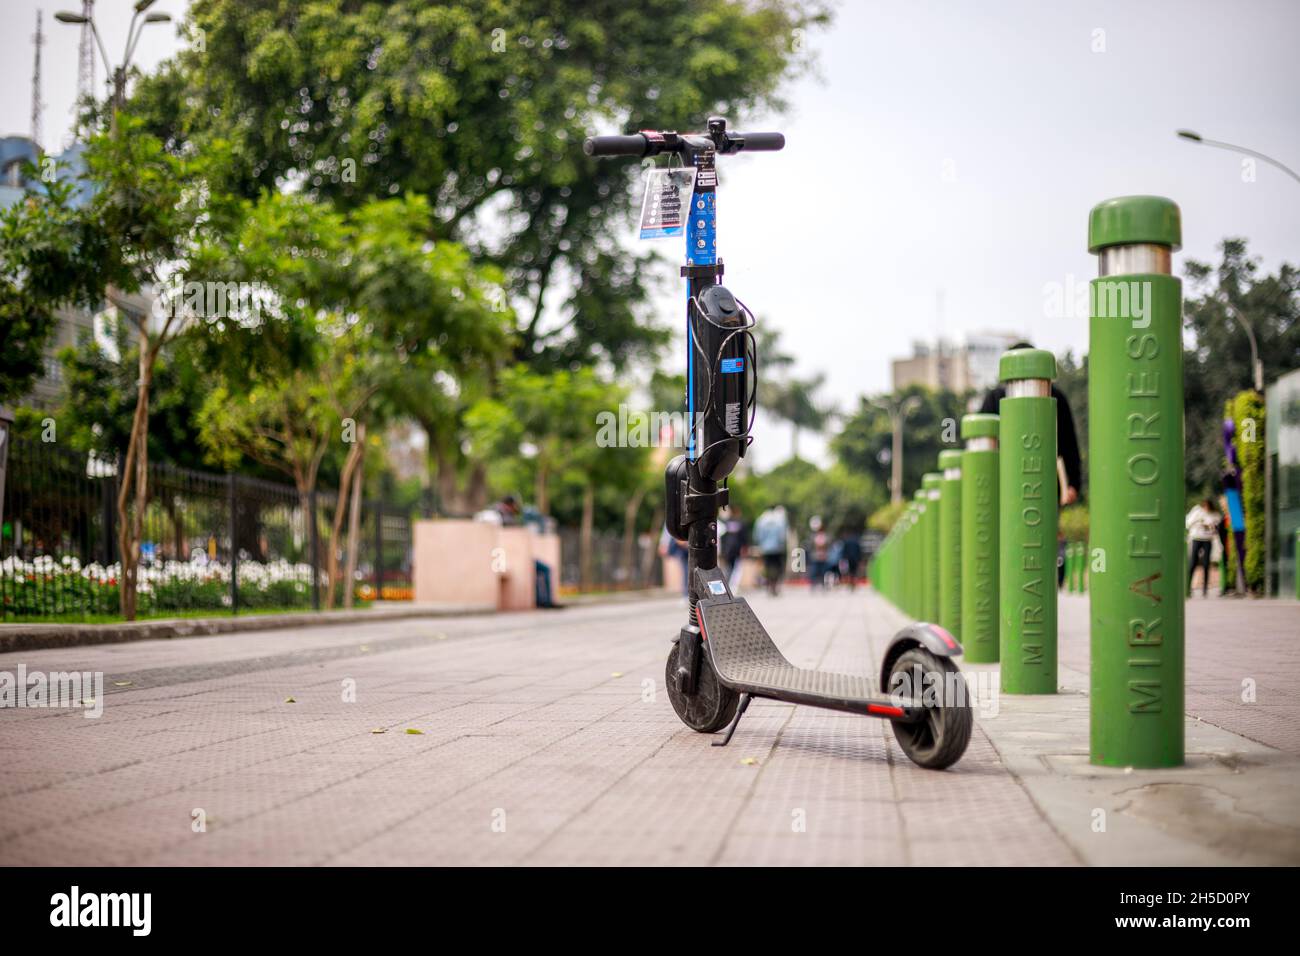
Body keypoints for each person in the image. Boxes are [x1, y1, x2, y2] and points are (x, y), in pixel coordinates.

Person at [979, 341, 1083, 505]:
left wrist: (1073, 483)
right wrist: (1074, 483)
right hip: (1041, 480)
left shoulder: (995, 398)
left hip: (1009, 481)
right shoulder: (1056, 397)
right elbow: (1069, 443)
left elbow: (1068, 442)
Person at [1185, 498, 1220, 597]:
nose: (1206, 508)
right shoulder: (1197, 511)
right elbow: (1188, 523)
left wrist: (1211, 526)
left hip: (1207, 540)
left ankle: (1205, 589)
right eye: (1204, 506)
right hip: (1197, 538)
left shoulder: (1214, 514)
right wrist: (1198, 522)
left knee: (1206, 564)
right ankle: (1188, 587)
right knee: (1193, 563)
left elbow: (1216, 527)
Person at [753, 505, 789, 596]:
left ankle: (769, 586)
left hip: (765, 548)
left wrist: (760, 544)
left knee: (767, 567)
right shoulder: (779, 519)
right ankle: (775, 586)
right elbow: (783, 535)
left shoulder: (761, 519)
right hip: (777, 548)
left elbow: (757, 535)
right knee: (777, 567)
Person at [719, 505, 748, 593]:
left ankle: (725, 586)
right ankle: (731, 587)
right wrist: (745, 547)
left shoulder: (726, 523)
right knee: (736, 569)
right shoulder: (741, 522)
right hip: (737, 549)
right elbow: (744, 537)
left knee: (728, 568)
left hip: (727, 549)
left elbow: (722, 537)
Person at [807, 515, 830, 591]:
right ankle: (813, 585)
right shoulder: (813, 536)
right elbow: (811, 545)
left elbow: (827, 544)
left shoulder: (825, 535)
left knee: (823, 572)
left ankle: (823, 585)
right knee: (814, 572)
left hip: (823, 557)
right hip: (815, 557)